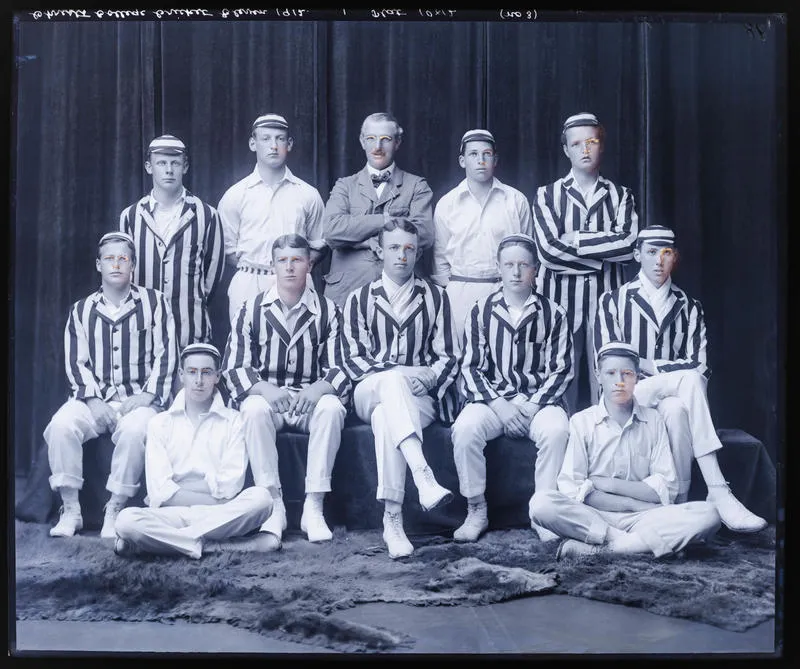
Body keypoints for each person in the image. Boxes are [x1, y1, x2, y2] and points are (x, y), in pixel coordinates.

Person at [594, 225, 767, 533]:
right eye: (651, 252)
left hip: (674, 400)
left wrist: (648, 363)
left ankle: (677, 506)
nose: (659, 261)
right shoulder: (613, 301)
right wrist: (664, 368)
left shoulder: (689, 307)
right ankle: (719, 490)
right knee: (685, 381)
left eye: (667, 253)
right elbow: (615, 366)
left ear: (675, 258)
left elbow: (700, 369)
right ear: (637, 255)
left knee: (676, 407)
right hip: (626, 396)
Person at [529, 342, 722, 559]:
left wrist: (607, 484)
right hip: (595, 516)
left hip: (644, 516)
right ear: (598, 375)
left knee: (709, 515)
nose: (619, 382)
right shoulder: (581, 422)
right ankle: (635, 544)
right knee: (541, 503)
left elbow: (665, 486)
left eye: (627, 373)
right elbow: (573, 490)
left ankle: (604, 550)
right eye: (610, 373)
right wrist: (630, 501)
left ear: (637, 377)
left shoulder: (654, 420)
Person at [45, 232, 178, 539]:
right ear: (98, 265)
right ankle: (71, 509)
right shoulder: (82, 310)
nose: (116, 264)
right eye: (109, 258)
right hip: (95, 398)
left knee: (134, 432)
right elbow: (75, 364)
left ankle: (114, 508)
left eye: (123, 258)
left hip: (139, 399)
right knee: (61, 425)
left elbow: (167, 352)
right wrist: (92, 401)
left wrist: (147, 395)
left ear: (132, 265)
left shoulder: (154, 302)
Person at [340, 218, 459, 559]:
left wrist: (430, 378)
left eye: (409, 248)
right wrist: (406, 372)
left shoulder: (436, 297)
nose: (402, 256)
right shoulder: (359, 299)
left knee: (384, 419)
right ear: (379, 250)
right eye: (394, 247)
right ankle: (423, 476)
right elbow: (352, 361)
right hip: (368, 390)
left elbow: (449, 357)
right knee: (391, 383)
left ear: (417, 251)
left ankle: (392, 519)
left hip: (418, 398)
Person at [222, 234, 350, 548]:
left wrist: (318, 388)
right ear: (273, 265)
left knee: (332, 407)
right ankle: (273, 503)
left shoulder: (327, 310)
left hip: (308, 400)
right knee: (251, 409)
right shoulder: (251, 309)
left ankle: (314, 504)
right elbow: (234, 367)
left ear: (310, 264)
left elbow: (343, 365)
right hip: (271, 402)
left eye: (297, 260)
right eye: (283, 260)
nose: (290, 267)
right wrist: (264, 388)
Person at [451, 233, 572, 543]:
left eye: (524, 265)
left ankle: (544, 512)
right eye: (509, 265)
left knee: (557, 431)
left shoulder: (554, 313)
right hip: (495, 401)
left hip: (539, 402)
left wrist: (531, 407)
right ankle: (476, 507)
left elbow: (561, 370)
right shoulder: (481, 310)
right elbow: (471, 367)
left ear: (536, 270)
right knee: (465, 428)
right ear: (498, 268)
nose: (516, 272)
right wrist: (500, 406)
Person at [113, 344, 274, 558]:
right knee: (126, 520)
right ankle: (219, 546)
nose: (199, 381)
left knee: (262, 499)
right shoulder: (159, 423)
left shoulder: (234, 421)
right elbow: (159, 491)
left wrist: (179, 490)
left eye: (206, 372)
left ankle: (164, 543)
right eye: (192, 372)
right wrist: (211, 492)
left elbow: (230, 485)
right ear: (181, 375)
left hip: (219, 515)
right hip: (172, 515)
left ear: (217, 376)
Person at [532, 112, 638, 413]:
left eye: (592, 141)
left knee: (605, 374)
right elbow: (549, 253)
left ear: (601, 145)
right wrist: (603, 254)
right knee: (559, 377)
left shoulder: (620, 195)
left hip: (608, 303)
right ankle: (565, 450)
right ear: (566, 149)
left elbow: (629, 246)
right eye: (576, 143)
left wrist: (576, 238)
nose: (585, 149)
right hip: (560, 302)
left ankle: (606, 447)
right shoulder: (547, 196)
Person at [218, 114, 326, 322]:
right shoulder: (236, 195)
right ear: (253, 143)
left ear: (289, 144)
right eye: (265, 139)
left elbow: (319, 244)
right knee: (246, 347)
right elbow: (227, 250)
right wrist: (258, 268)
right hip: (249, 280)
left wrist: (293, 267)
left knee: (298, 346)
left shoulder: (307, 194)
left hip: (296, 281)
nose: (273, 146)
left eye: (280, 138)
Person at [119, 134, 225, 350]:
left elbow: (212, 278)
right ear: (149, 167)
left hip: (191, 331)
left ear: (185, 167)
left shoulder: (207, 215)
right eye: (161, 163)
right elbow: (125, 274)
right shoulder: (130, 216)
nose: (169, 169)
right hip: (142, 331)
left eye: (175, 163)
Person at [322, 112, 434, 306]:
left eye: (386, 139)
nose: (377, 147)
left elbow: (424, 234)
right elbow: (331, 231)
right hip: (347, 291)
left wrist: (361, 239)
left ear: (397, 143)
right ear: (362, 141)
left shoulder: (417, 186)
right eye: (371, 139)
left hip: (402, 292)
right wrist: (384, 221)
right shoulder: (345, 185)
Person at [432, 129, 533, 341]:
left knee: (505, 354)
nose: (481, 160)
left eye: (487, 154)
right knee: (462, 355)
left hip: (506, 290)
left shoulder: (515, 200)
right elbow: (440, 258)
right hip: (461, 291)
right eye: (473, 154)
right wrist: (451, 291)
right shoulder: (447, 204)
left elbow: (528, 251)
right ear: (462, 160)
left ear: (495, 160)